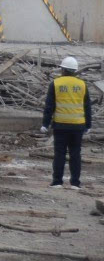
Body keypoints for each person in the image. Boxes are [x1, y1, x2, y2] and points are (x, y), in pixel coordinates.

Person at [41, 56, 92, 189]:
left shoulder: (56, 83)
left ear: (63, 69)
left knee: (59, 154)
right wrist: (88, 125)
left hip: (61, 125)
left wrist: (45, 124)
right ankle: (75, 183)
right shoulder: (82, 85)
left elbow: (49, 106)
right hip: (78, 126)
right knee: (75, 154)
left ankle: (57, 181)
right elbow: (87, 106)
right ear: (75, 71)